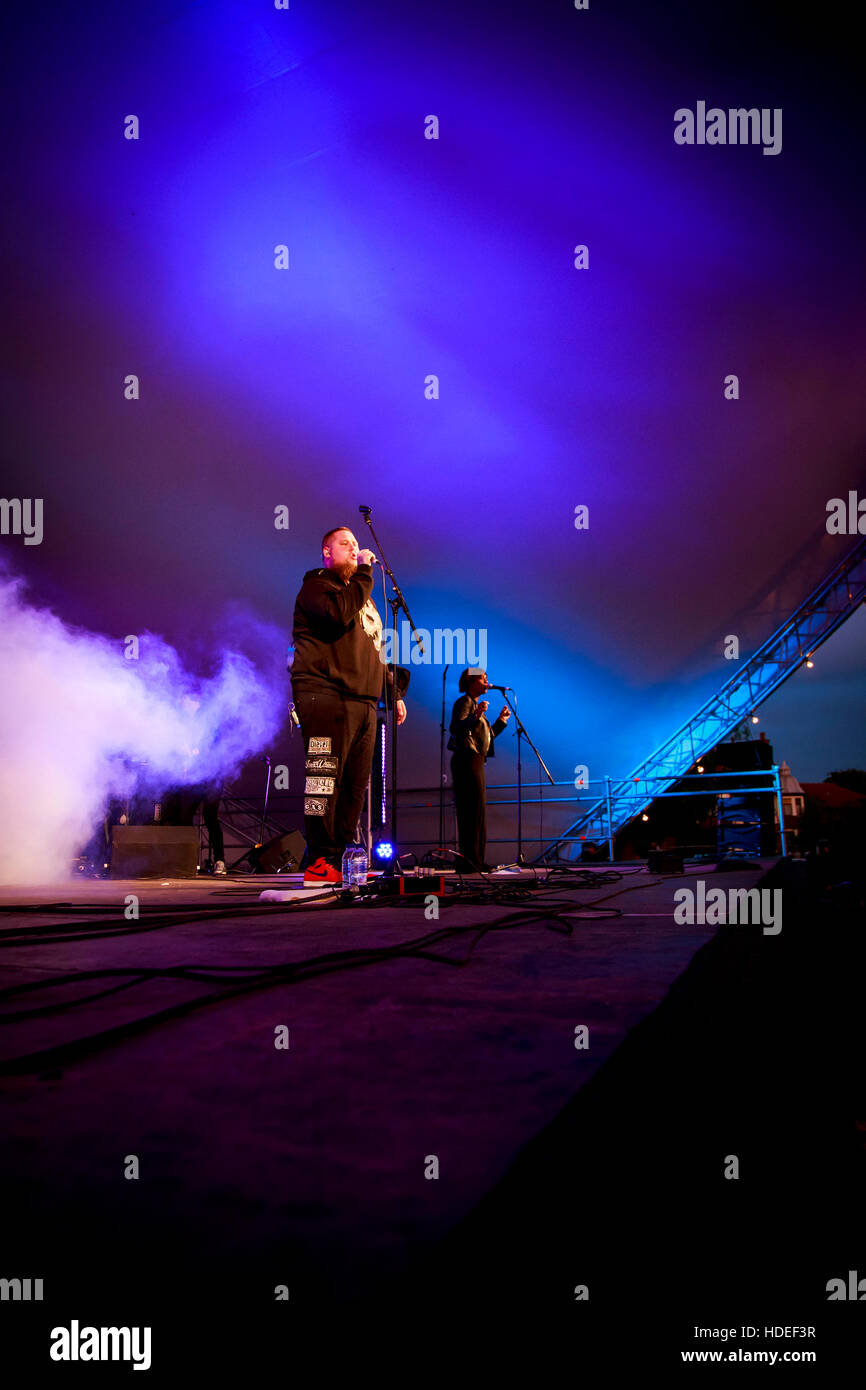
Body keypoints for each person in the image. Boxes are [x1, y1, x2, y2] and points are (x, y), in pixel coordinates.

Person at [290, 526, 408, 886]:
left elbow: (375, 650)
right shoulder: (318, 585)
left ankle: (338, 856)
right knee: (324, 779)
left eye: (357, 545)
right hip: (325, 694)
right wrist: (366, 572)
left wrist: (393, 694)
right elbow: (338, 615)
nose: (355, 550)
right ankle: (317, 858)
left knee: (356, 784)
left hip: (364, 701)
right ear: (327, 552)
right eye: (346, 544)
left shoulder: (364, 598)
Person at [448, 668, 510, 872]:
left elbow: (486, 735)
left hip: (475, 759)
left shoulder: (473, 706)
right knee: (471, 811)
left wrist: (501, 721)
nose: (487, 682)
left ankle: (475, 860)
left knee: (477, 811)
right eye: (483, 679)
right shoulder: (464, 702)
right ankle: (470, 861)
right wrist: (476, 714)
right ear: (471, 681)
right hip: (466, 760)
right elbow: (456, 728)